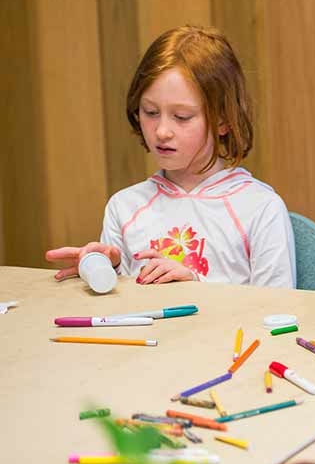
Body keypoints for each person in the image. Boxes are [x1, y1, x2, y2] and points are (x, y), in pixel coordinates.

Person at [46, 26, 295, 288]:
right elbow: (117, 315)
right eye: (150, 112)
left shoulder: (260, 209)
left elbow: (277, 315)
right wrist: (110, 270)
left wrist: (194, 285)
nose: (162, 131)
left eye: (182, 117)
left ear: (223, 119)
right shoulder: (124, 208)